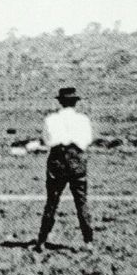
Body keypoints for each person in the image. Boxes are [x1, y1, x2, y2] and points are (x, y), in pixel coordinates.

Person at [35, 87, 94, 251]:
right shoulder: (83, 120)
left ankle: (41, 241)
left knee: (52, 201)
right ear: (76, 102)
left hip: (57, 160)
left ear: (60, 102)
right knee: (81, 201)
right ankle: (88, 241)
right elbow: (87, 140)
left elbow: (47, 141)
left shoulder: (51, 119)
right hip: (77, 160)